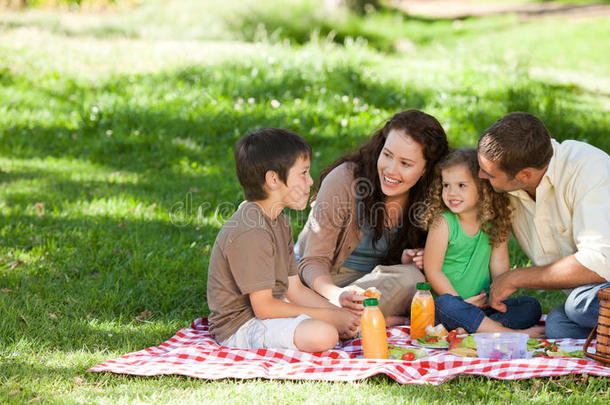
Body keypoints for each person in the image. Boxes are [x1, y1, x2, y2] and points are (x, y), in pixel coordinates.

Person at [207, 128, 359, 352]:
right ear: (274, 179)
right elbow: (264, 308)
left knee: (342, 321)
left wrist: (337, 313)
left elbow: (294, 289)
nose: (310, 181)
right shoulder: (251, 230)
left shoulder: (280, 223)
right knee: (324, 333)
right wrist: (329, 317)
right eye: (303, 173)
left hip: (271, 311)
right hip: (240, 326)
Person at [296, 110, 449, 325]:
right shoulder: (345, 180)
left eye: (405, 163)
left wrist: (411, 259)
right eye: (387, 155)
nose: (391, 170)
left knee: (413, 279)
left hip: (372, 287)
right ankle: (368, 320)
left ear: (426, 169)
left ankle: (347, 321)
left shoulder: (433, 198)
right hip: (321, 282)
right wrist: (337, 295)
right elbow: (311, 261)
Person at [477, 112, 610, 339]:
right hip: (593, 293)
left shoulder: (590, 169)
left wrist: (516, 277)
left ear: (525, 175)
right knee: (558, 326)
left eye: (489, 174)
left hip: (598, 284)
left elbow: (600, 261)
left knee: (578, 306)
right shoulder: (508, 183)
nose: (480, 175)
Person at [419, 148, 543, 337]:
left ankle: (478, 328)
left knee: (530, 306)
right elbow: (433, 271)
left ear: (483, 187)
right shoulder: (443, 223)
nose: (451, 192)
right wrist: (461, 302)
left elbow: (500, 268)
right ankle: (508, 334)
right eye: (446, 185)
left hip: (483, 307)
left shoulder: (494, 222)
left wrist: (497, 298)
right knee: (445, 305)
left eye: (461, 185)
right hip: (449, 308)